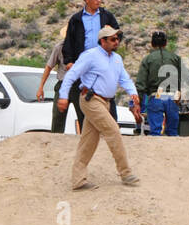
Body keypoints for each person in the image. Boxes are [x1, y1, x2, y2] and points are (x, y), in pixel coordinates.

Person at [58, 26, 141, 190]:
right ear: (102, 41)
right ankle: (125, 173)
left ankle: (78, 180)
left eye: (117, 38)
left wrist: (133, 93)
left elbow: (125, 79)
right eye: (112, 39)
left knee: (88, 141)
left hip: (106, 102)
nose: (116, 41)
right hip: (91, 99)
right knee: (113, 130)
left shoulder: (117, 59)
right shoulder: (90, 56)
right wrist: (63, 96)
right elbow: (72, 74)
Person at [61, 0, 120, 124]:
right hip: (84, 64)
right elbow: (69, 41)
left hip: (103, 62)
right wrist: (69, 61)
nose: (99, 1)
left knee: (106, 96)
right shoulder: (76, 19)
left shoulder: (107, 16)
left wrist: (112, 37)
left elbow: (118, 35)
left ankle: (111, 126)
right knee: (84, 98)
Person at [135, 31, 182, 137]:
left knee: (155, 132)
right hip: (173, 97)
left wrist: (138, 102)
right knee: (173, 133)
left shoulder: (147, 59)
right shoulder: (175, 58)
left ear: (152, 44)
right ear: (166, 43)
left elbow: (140, 84)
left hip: (156, 96)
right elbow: (187, 77)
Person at [38, 26, 74, 133]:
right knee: (58, 117)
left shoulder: (83, 48)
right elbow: (49, 67)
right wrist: (41, 87)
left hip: (77, 85)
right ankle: (55, 139)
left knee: (83, 116)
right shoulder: (59, 47)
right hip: (63, 84)